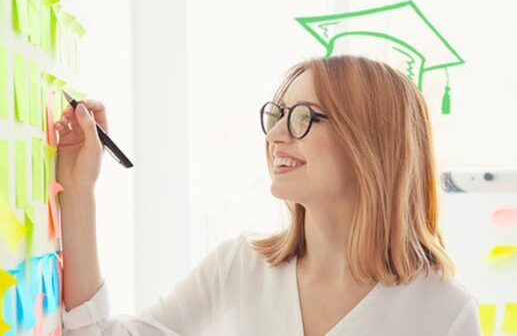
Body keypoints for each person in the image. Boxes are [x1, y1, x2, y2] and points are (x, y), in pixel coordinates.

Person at [55, 54, 482, 336]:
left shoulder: (445, 313)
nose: (275, 136)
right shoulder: (238, 267)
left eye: (301, 118)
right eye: (277, 115)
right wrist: (78, 190)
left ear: (369, 142)